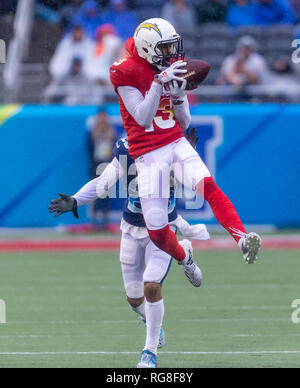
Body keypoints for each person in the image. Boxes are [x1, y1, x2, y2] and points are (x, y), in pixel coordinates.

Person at [109, 18, 261, 298]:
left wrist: (178, 96)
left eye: (172, 47)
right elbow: (142, 118)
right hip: (147, 155)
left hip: (175, 142)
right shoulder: (125, 71)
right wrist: (158, 83)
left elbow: (184, 120)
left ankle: (241, 238)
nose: (171, 54)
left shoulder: (166, 69)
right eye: (165, 48)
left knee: (208, 187)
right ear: (147, 49)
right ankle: (185, 258)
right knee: (157, 232)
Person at [49, 128, 210, 368]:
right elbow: (104, 182)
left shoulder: (172, 146)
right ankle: (184, 255)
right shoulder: (128, 146)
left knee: (152, 285)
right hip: (132, 227)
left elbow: (190, 178)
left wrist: (189, 157)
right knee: (134, 299)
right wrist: (76, 200)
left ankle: (150, 352)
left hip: (163, 227)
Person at [87, 109, 116, 229]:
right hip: (96, 165)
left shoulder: (111, 132)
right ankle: (94, 221)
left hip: (107, 165)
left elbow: (115, 149)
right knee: (94, 193)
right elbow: (88, 148)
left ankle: (104, 220)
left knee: (106, 194)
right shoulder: (93, 132)